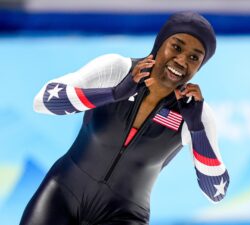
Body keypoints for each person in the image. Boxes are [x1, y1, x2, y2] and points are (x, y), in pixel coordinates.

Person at [21, 11, 229, 225]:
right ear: (160, 44)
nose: (182, 60)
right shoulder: (116, 69)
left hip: (124, 216)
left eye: (194, 57)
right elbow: (42, 101)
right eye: (176, 47)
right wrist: (113, 93)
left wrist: (196, 128)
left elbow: (216, 192)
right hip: (62, 195)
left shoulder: (197, 113)